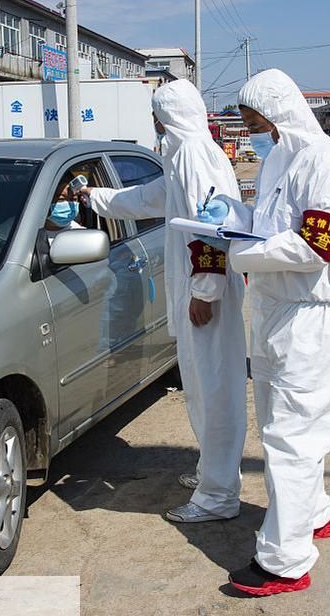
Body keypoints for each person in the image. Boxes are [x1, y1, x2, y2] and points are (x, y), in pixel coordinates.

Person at [199, 68, 330, 597]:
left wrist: (241, 250)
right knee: (284, 430)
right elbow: (274, 223)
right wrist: (235, 215)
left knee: (292, 439)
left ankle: (284, 560)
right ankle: (313, 513)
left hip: (311, 322)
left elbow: (315, 246)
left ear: (280, 114)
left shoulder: (329, 164)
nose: (255, 133)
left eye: (257, 122)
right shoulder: (280, 160)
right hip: (275, 315)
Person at [80, 78, 248, 523]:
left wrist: (204, 291)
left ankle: (218, 497)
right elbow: (144, 199)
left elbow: (207, 225)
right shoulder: (182, 157)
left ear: (169, 117)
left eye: (157, 116)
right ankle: (216, 475)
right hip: (200, 288)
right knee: (202, 387)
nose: (154, 124)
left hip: (206, 292)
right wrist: (92, 197)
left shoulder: (194, 155)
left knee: (213, 390)